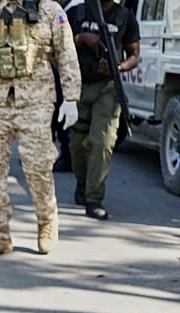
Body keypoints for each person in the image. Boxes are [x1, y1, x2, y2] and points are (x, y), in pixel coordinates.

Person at [0, 0, 81, 257]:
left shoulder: (50, 11)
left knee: (37, 164)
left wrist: (71, 97)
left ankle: (47, 220)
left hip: (36, 100)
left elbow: (66, 53)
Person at [66, 0, 140, 220]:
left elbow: (134, 55)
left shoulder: (125, 17)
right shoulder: (76, 12)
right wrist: (81, 39)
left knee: (103, 141)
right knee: (77, 144)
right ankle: (82, 183)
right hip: (78, 83)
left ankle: (94, 198)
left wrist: (119, 67)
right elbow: (54, 45)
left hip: (107, 88)